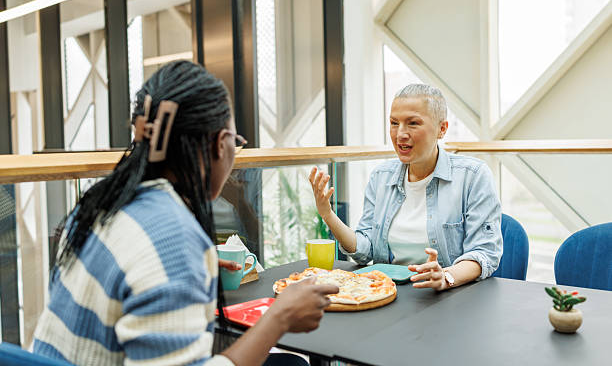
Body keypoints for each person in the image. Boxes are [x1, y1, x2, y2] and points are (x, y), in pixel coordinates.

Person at [33, 61, 339, 366]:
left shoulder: (100, 203)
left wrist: (192, 267)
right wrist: (279, 317)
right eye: (237, 142)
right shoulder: (173, 238)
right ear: (220, 144)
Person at [309, 84, 502, 291]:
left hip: (450, 297)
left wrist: (446, 277)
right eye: (394, 123)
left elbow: (484, 252)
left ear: (442, 129)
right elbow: (366, 250)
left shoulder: (473, 176)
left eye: (413, 123)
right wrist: (328, 214)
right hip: (389, 294)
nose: (400, 133)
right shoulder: (381, 177)